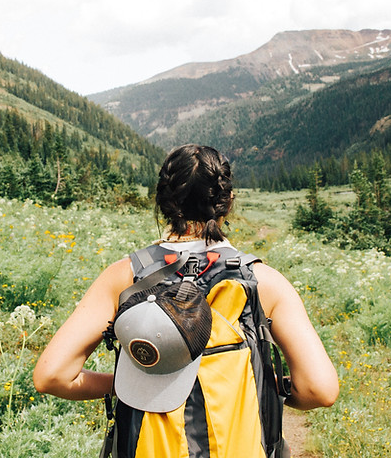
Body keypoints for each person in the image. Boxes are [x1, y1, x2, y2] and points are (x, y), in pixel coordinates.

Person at [34, 144, 338, 456]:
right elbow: (320, 390)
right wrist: (269, 387)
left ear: (162, 201)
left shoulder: (124, 277)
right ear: (227, 201)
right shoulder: (263, 281)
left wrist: (123, 383)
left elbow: (52, 376)